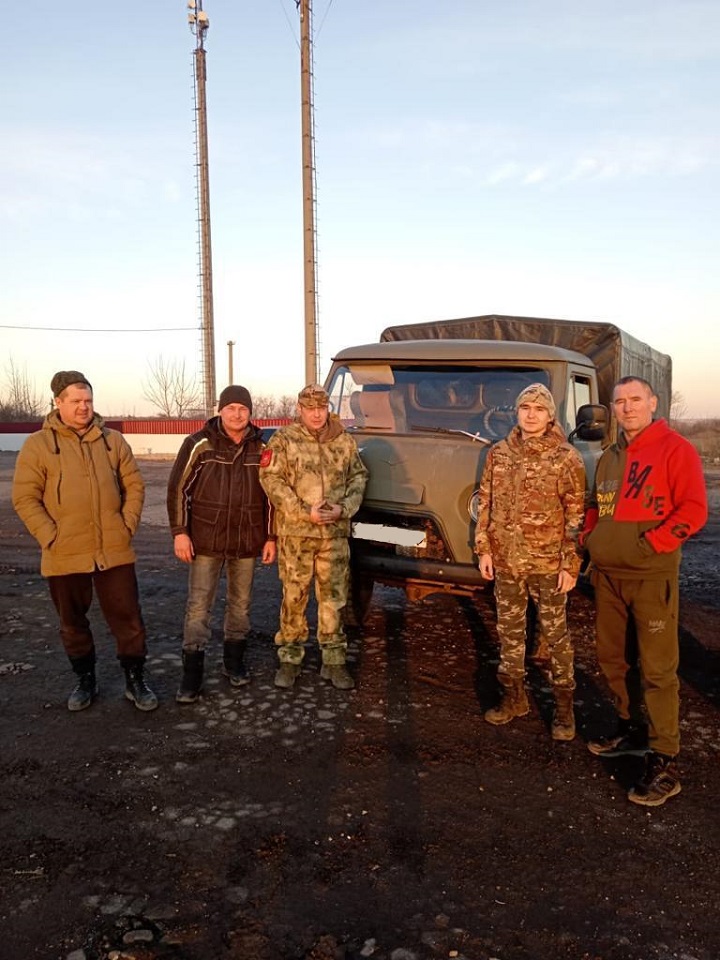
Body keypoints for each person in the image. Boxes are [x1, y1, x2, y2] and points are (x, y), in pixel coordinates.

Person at [583, 376, 707, 806]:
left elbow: (693, 509)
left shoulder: (676, 449)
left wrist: (650, 544)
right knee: (613, 659)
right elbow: (595, 508)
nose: (628, 408)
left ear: (653, 402)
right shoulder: (609, 457)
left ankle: (663, 758)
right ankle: (631, 728)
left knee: (657, 670)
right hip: (608, 577)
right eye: (620, 402)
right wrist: (591, 540)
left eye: (636, 399)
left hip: (651, 576)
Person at [12, 371, 157, 712]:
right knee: (72, 622)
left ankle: (135, 680)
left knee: (129, 619)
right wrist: (51, 535)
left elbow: (134, 485)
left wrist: (126, 525)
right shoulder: (39, 446)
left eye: (88, 401)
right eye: (75, 401)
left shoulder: (112, 441)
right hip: (64, 552)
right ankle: (85, 680)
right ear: (57, 403)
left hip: (114, 550)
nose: (83, 408)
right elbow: (25, 498)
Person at [474, 383, 586, 740]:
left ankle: (564, 710)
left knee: (555, 636)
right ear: (517, 412)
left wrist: (570, 564)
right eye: (525, 408)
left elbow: (575, 515)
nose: (532, 414)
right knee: (509, 635)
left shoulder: (566, 457)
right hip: (507, 561)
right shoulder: (499, 453)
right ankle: (514, 698)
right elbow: (485, 504)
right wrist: (484, 549)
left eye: (539, 409)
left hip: (548, 564)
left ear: (550, 415)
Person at [167, 385, 276, 703]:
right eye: (231, 408)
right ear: (220, 411)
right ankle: (192, 677)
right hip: (206, 540)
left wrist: (270, 537)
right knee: (199, 607)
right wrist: (180, 532)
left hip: (247, 540)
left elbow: (272, 495)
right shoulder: (199, 443)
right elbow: (178, 489)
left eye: (243, 409)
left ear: (251, 413)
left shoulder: (263, 446)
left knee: (240, 606)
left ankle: (234, 663)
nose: (237, 414)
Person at [259, 383, 368, 690]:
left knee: (334, 598)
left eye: (321, 408)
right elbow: (270, 478)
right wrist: (303, 511)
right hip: (297, 533)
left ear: (328, 409)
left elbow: (359, 476)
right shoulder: (284, 440)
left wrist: (344, 508)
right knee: (294, 596)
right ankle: (290, 658)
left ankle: (333, 661)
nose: (317, 414)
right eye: (310, 409)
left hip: (334, 533)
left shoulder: (343, 441)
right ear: (300, 410)